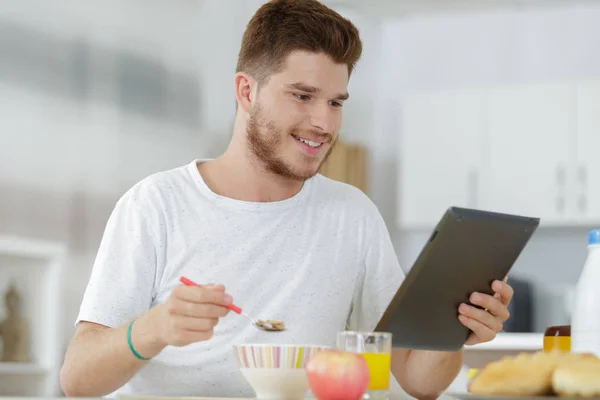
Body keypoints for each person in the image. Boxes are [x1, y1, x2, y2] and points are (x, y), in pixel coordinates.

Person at [60, 0, 513, 398]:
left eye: (336, 102)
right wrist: (154, 329)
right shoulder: (155, 205)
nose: (324, 122)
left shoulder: (352, 215)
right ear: (246, 91)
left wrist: (455, 329)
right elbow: (77, 379)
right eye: (302, 96)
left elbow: (418, 379)